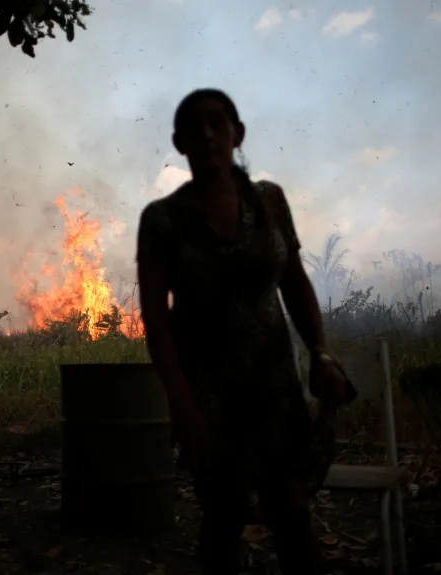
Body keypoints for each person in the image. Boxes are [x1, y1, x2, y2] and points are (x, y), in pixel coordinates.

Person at [136, 88, 350, 575]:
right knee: (223, 517)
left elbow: (294, 283)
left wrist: (319, 351)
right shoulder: (163, 220)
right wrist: (182, 407)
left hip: (275, 389)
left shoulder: (270, 202)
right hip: (208, 398)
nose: (207, 133)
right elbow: (156, 323)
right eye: (194, 126)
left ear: (238, 133)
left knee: (293, 513)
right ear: (179, 142)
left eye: (217, 121)